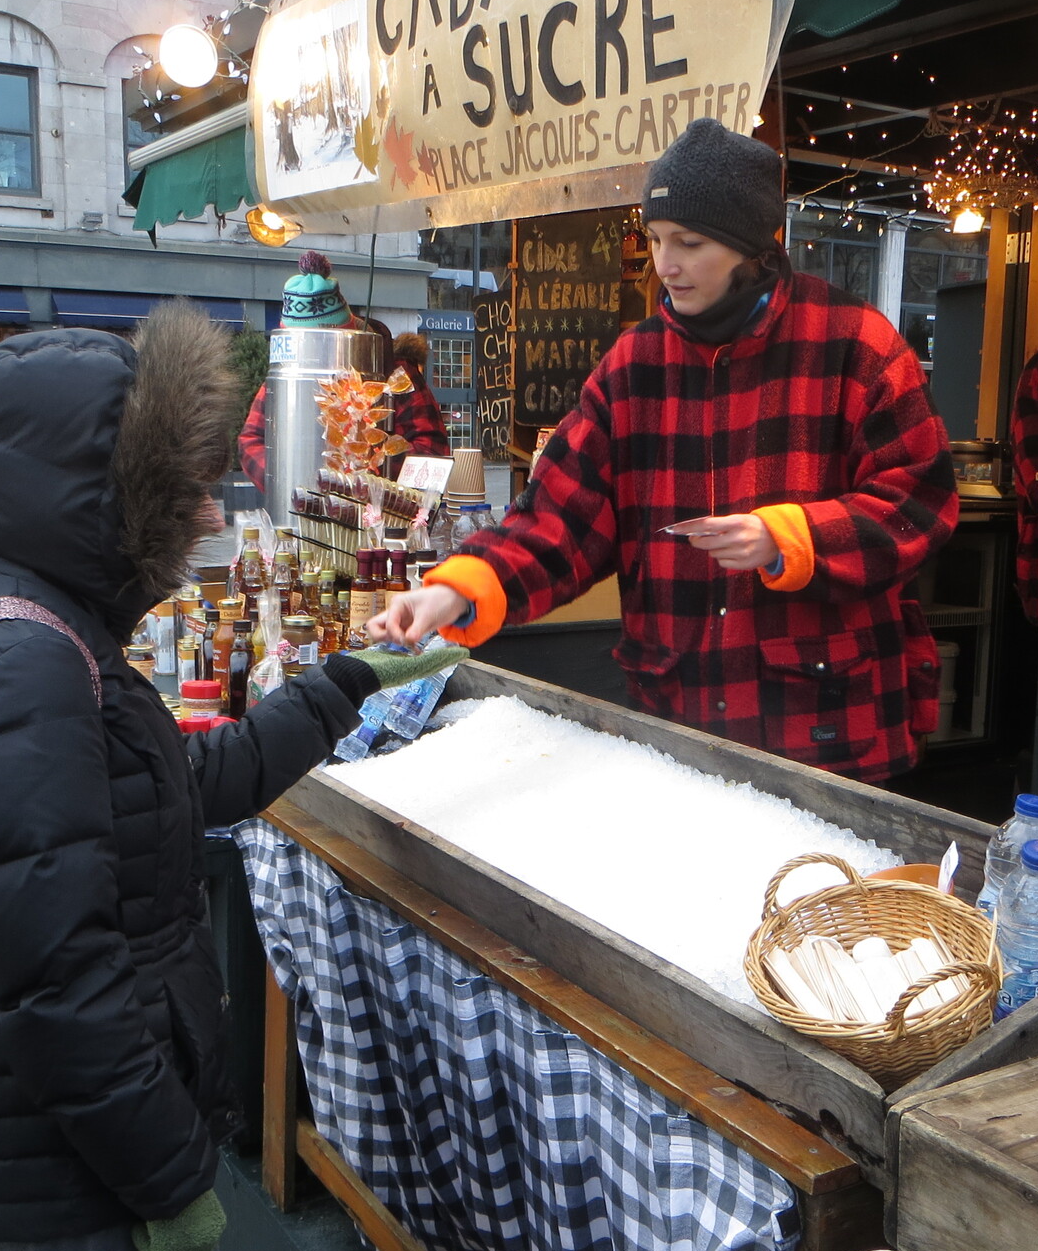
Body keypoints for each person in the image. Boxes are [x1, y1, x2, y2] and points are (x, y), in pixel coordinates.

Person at [0, 303, 460, 1251]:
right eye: (180, 488)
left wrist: (339, 686)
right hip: (44, 1165)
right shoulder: (22, 665)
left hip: (44, 1138)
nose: (210, 511)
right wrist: (169, 1179)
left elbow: (171, 791)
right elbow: (59, 980)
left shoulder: (38, 621)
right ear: (100, 495)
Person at [377, 117, 958, 782]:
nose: (666, 264)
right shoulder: (635, 364)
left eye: (690, 242)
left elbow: (920, 504)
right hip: (681, 720)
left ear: (752, 246)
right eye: (655, 239)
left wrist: (791, 537)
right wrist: (461, 587)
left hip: (828, 723)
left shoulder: (857, 343)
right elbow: (560, 516)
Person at [235, 249, 369, 493]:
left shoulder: (370, 377)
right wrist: (282, 482)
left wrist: (378, 486)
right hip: (293, 506)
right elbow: (250, 439)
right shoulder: (282, 381)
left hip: (366, 507)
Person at [382, 331, 452, 482]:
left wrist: (377, 459)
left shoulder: (400, 375)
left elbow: (431, 455)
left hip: (396, 488)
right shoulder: (401, 373)